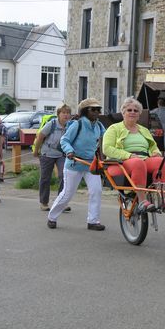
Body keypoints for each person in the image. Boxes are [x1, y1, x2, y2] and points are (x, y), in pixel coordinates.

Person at [102, 97, 165, 211]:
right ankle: (142, 201)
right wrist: (128, 155)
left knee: (161, 162)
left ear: (139, 114)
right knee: (138, 162)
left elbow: (152, 146)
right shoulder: (114, 128)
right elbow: (107, 149)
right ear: (123, 112)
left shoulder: (143, 130)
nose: (132, 112)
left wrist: (155, 152)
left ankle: (162, 199)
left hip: (143, 159)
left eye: (135, 111)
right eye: (129, 110)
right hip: (120, 163)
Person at [47, 98, 106, 231]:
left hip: (91, 164)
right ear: (85, 111)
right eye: (93, 109)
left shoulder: (99, 126)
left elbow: (105, 141)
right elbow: (65, 140)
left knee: (96, 191)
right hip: (74, 163)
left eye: (98, 109)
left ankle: (93, 221)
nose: (97, 112)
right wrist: (69, 151)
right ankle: (52, 217)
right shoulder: (77, 124)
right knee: (68, 193)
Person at [33, 104, 72, 212]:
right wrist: (36, 151)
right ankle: (44, 202)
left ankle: (61, 202)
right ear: (58, 114)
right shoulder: (52, 124)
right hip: (47, 153)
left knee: (64, 176)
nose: (66, 115)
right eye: (63, 113)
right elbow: (40, 136)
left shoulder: (70, 125)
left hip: (62, 154)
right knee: (45, 178)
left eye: (68, 113)